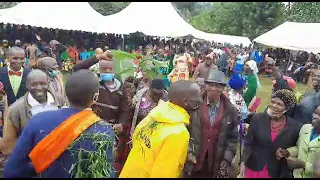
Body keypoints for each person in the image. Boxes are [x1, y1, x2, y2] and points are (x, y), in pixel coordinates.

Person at [4, 70, 116, 178]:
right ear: (95, 97)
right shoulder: (103, 130)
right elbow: (106, 173)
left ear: (66, 95)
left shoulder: (38, 121)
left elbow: (12, 170)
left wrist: (38, 166)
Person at [120, 80, 202, 178]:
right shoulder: (178, 133)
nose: (201, 101)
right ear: (185, 102)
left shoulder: (154, 114)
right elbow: (163, 174)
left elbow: (136, 139)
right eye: (197, 99)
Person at [185, 70, 239, 178]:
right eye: (211, 84)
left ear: (223, 88)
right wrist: (189, 151)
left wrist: (227, 158)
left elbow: (233, 138)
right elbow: (185, 130)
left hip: (215, 161)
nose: (214, 89)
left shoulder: (230, 110)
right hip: (193, 159)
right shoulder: (193, 105)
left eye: (218, 86)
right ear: (206, 85)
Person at [0, 70, 65, 155]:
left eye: (42, 83)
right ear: (27, 85)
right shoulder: (16, 110)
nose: (39, 87)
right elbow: (9, 145)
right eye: (34, 84)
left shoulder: (61, 101)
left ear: (48, 83)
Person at [241, 89, 302, 178]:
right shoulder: (257, 118)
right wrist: (243, 162)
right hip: (254, 167)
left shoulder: (294, 127)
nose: (274, 106)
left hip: (275, 171)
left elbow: (295, 148)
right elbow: (249, 143)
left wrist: (286, 152)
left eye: (279, 104)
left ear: (287, 108)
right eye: (273, 102)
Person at [73, 50, 129, 134]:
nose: (107, 71)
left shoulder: (120, 88)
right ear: (99, 69)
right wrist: (99, 57)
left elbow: (124, 111)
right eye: (104, 68)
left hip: (109, 130)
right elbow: (77, 68)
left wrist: (121, 124)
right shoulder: (93, 82)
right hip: (89, 127)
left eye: (110, 68)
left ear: (114, 70)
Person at [281, 106, 320, 178]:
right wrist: (288, 152)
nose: (314, 116)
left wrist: (303, 165)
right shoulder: (305, 128)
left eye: (319, 115)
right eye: (315, 112)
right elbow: (299, 147)